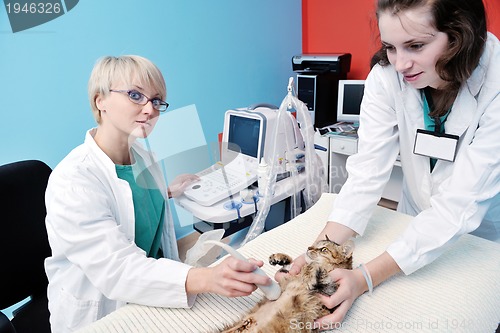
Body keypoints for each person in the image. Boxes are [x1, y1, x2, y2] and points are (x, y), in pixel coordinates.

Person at [282, 0, 500, 327]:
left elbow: (459, 207)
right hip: (412, 220)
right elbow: (366, 175)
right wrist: (317, 255)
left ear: (460, 36)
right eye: (390, 47)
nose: (399, 64)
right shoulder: (387, 76)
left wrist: (365, 278)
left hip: (481, 237)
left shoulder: (496, 83)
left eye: (415, 46)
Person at [44, 55, 271, 332]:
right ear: (99, 101)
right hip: (101, 314)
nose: (150, 109)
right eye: (136, 95)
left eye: (156, 100)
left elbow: (126, 199)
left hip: (147, 299)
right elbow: (117, 269)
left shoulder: (141, 155)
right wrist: (208, 279)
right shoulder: (74, 181)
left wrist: (165, 193)